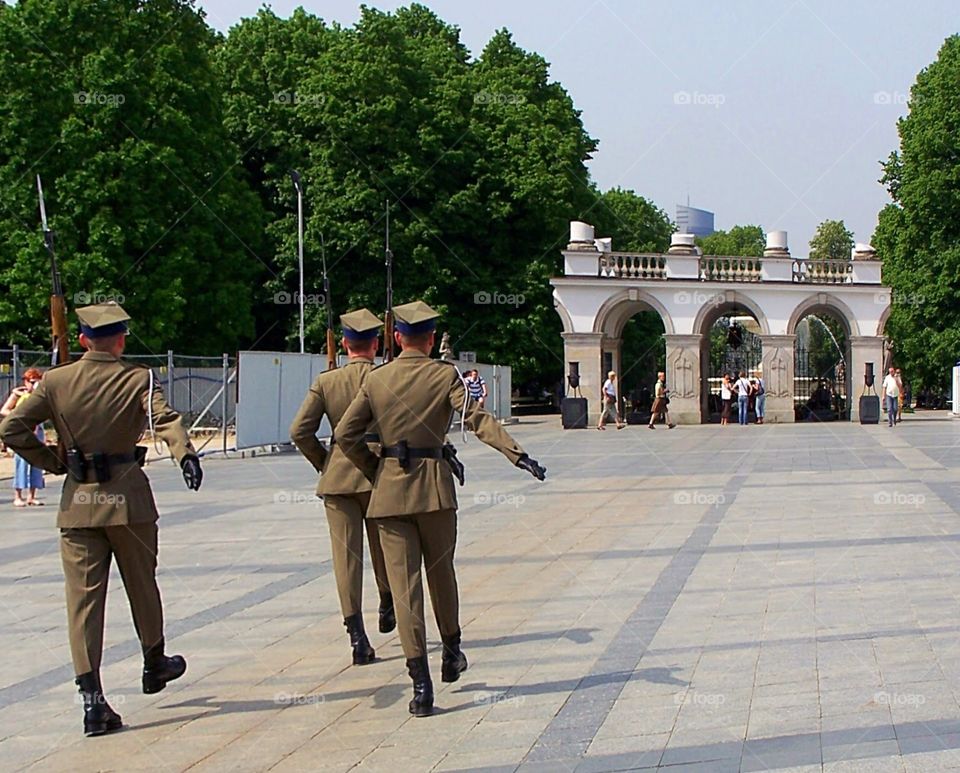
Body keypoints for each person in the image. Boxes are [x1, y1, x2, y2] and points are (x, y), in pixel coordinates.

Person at [0, 302, 202, 737]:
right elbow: (165, 420)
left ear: (82, 340)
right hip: (127, 500)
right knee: (142, 584)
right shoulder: (138, 378)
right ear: (122, 339)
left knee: (83, 604)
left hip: (78, 503)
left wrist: (53, 462)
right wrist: (185, 454)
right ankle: (154, 663)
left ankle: (93, 703)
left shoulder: (54, 382)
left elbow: (12, 429)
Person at [336, 300, 546, 717]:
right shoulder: (443, 375)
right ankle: (451, 650)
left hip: (389, 494)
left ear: (397, 338)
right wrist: (517, 454)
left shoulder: (377, 380)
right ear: (431, 339)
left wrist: (375, 468)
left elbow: (345, 433)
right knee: (440, 573)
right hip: (434, 489)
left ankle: (420, 685)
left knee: (403, 586)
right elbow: (477, 418)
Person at [289, 309, 394, 666]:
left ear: (345, 344)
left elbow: (299, 431)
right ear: (376, 344)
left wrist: (325, 462)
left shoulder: (326, 381)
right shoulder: (386, 376)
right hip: (380, 471)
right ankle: (387, 600)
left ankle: (357, 636)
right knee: (385, 548)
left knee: (346, 558)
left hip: (338, 478)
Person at [1, 367, 46, 506]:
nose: (34, 385)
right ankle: (18, 496)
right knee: (21, 463)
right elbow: (4, 410)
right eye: (31, 382)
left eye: (37, 382)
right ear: (26, 382)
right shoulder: (19, 395)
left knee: (37, 462)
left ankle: (31, 496)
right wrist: (20, 417)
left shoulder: (39, 396)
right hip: (23, 431)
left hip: (37, 430)